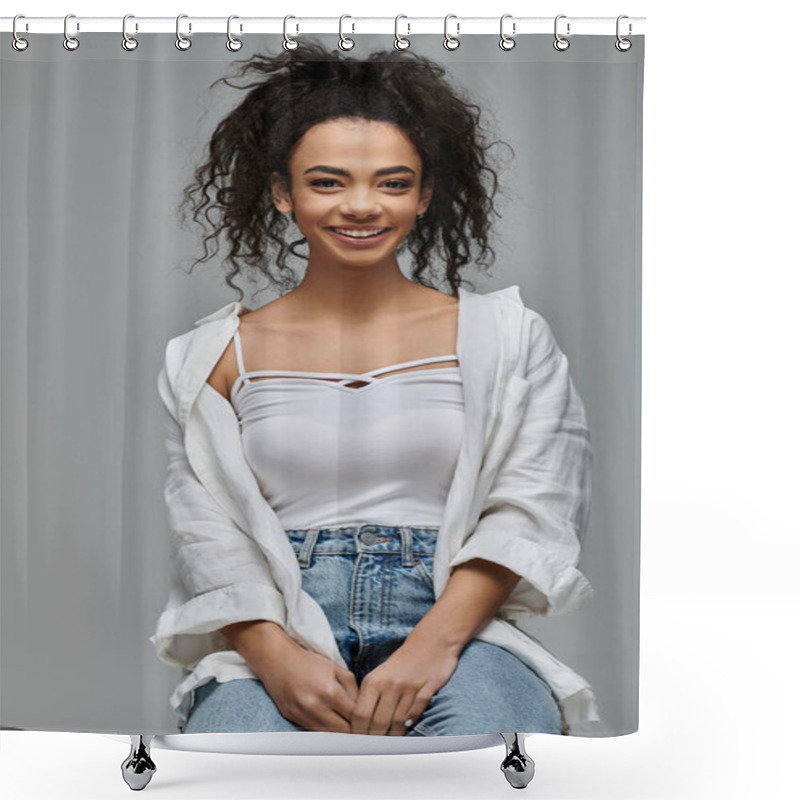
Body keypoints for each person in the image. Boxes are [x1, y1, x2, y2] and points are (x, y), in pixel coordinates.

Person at [150, 40, 599, 737]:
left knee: (476, 761)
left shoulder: (509, 337)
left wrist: (432, 648)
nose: (361, 206)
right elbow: (205, 535)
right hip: (280, 634)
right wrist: (274, 660)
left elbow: (533, 506)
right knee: (232, 769)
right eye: (327, 182)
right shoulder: (210, 356)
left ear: (424, 196)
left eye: (392, 183)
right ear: (281, 192)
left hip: (462, 634)